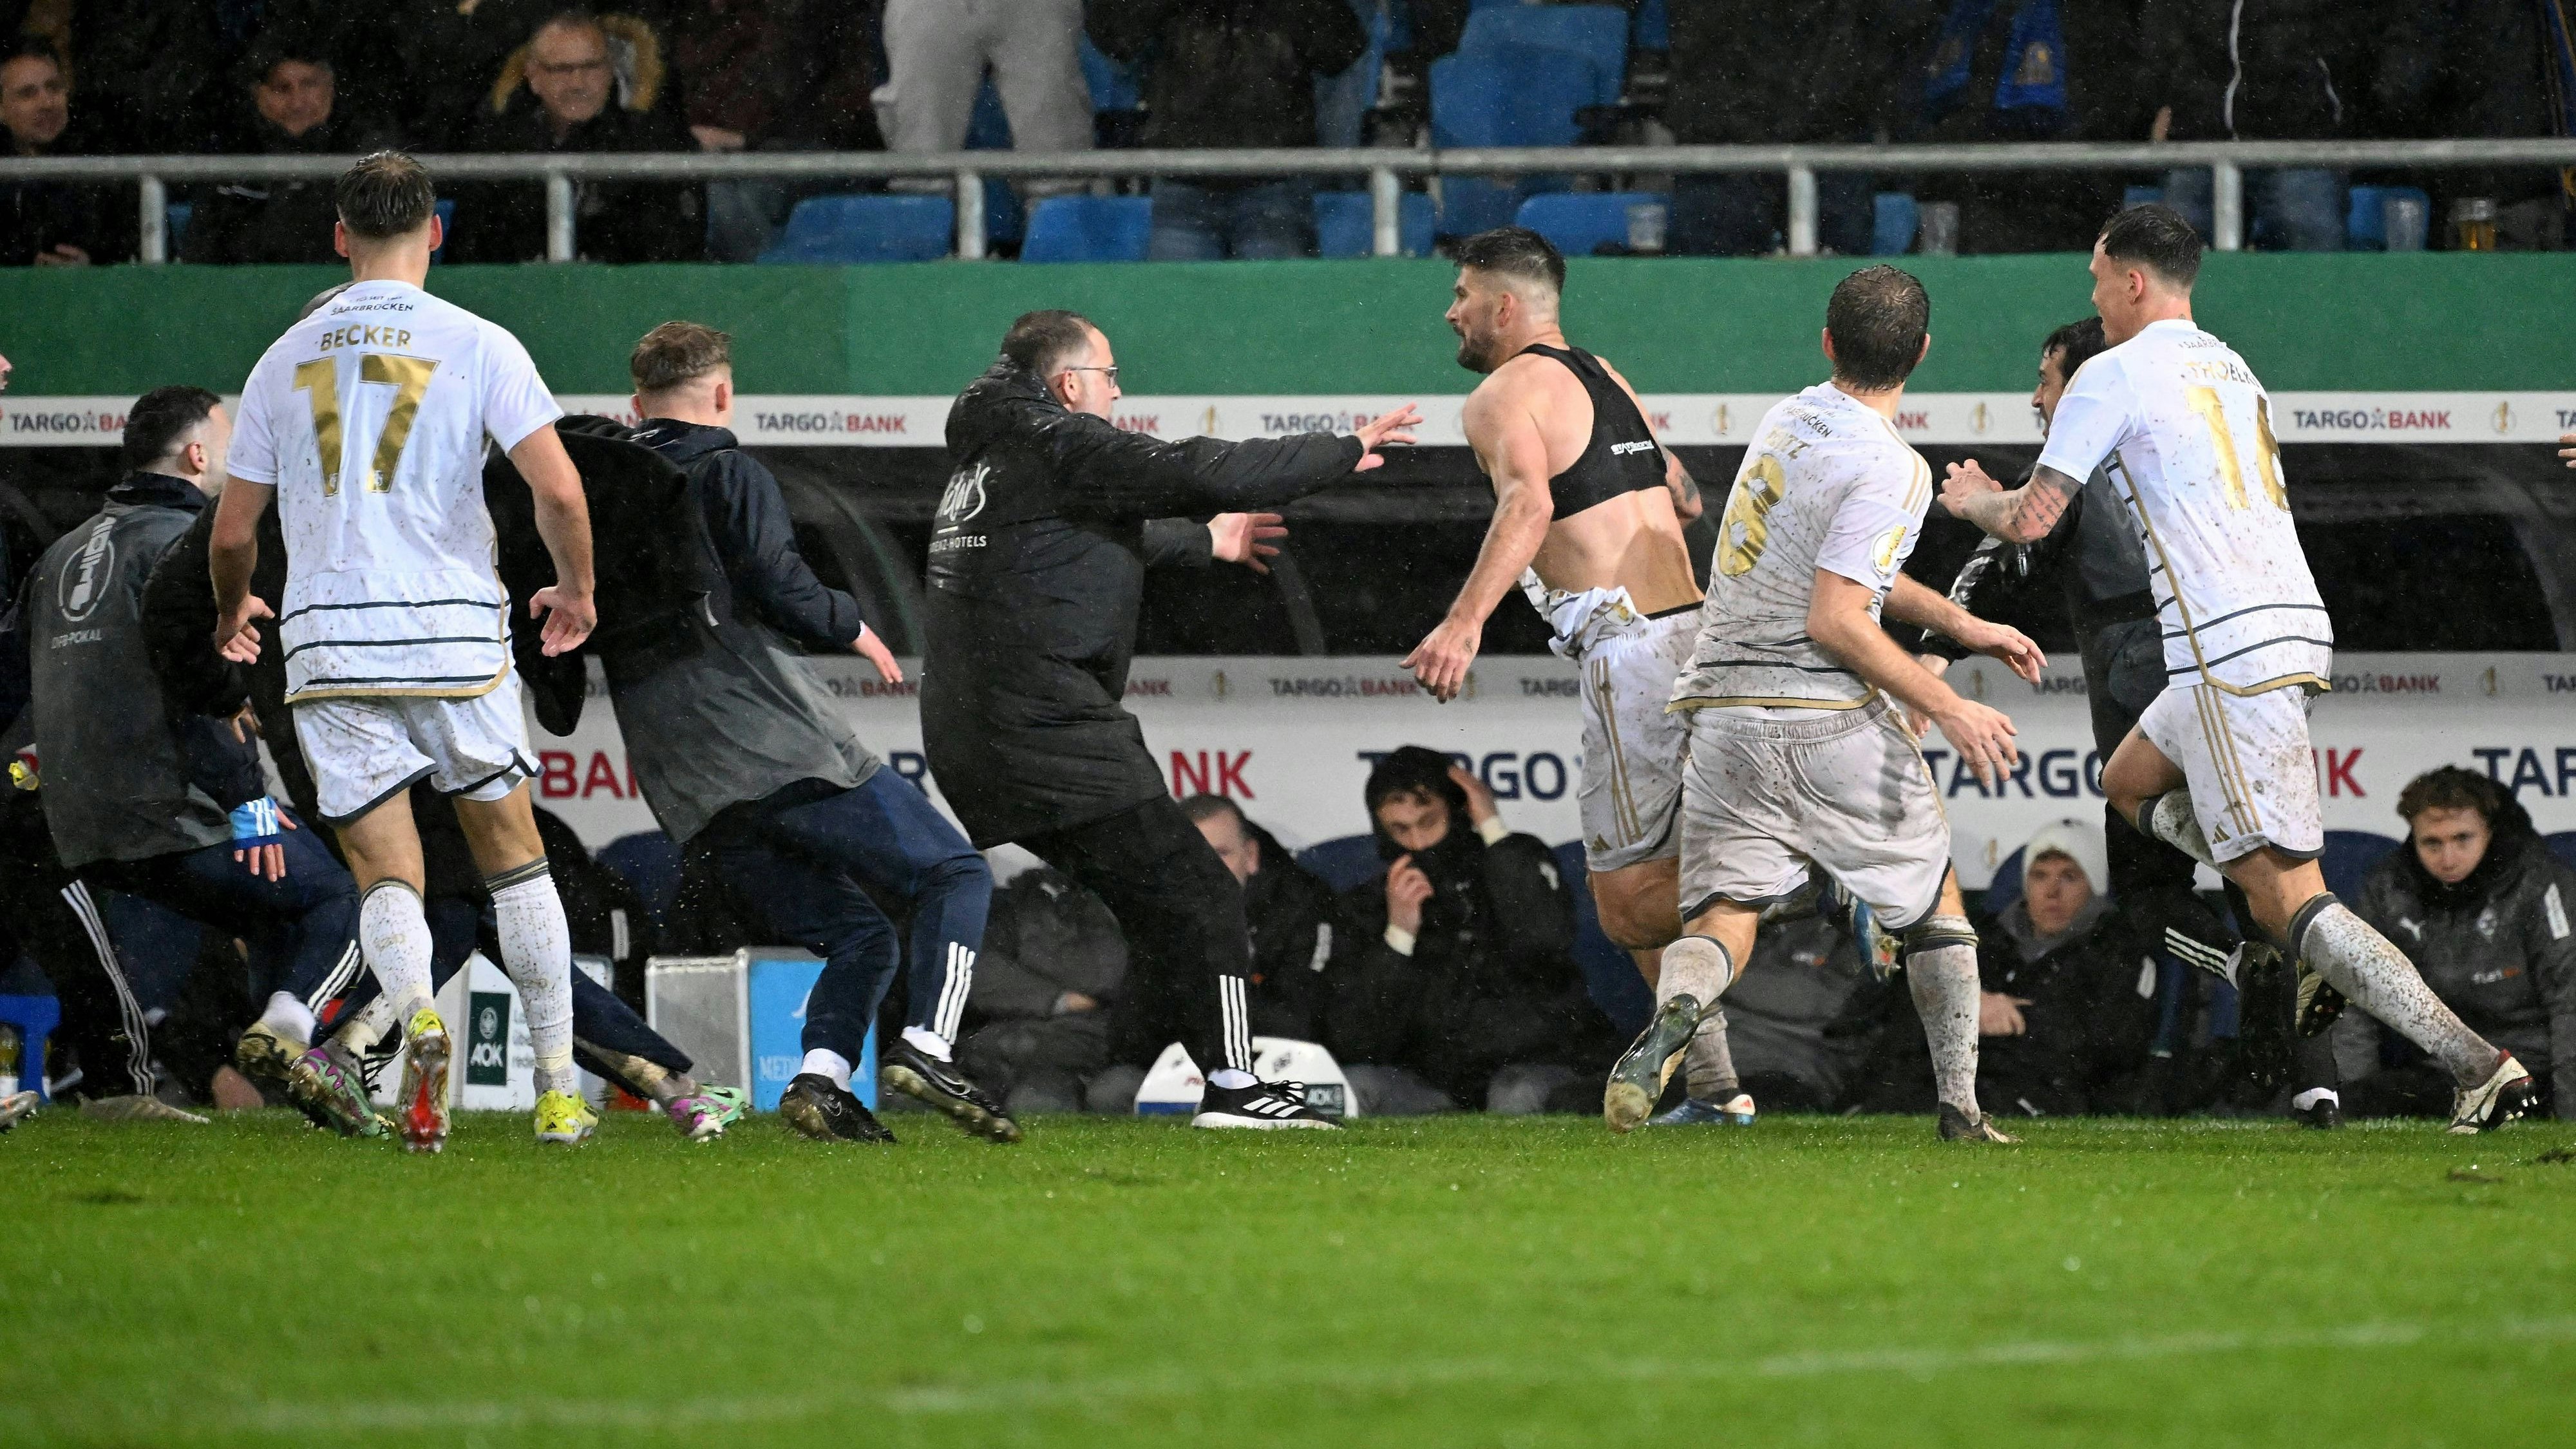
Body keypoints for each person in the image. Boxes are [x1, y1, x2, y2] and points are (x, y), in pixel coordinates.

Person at [1944, 203, 2537, 1132]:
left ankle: (2477, 1062)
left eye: (2098, 280)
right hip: (2259, 634)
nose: (2093, 299)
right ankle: (2295, 941)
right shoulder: (2232, 365)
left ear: (2133, 282)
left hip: (2228, 648)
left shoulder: (2110, 373)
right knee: (2127, 781)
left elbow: (2032, 519)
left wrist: (1979, 498)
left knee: (2288, 893)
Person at [140, 287, 744, 1144]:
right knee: (495, 887)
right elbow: (551, 503)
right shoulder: (439, 442)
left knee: (430, 897)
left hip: (326, 699)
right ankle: (570, 1076)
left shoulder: (275, 474)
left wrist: (225, 685)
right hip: (442, 669)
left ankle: (333, 1028)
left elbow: (182, 590)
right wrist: (563, 645)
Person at [923, 307, 1416, 1129]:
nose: (1118, 393)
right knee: (1203, 895)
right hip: (1049, 731)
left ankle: (923, 1045)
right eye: (1112, 376)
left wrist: (1203, 545)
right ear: (1068, 383)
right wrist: (1340, 449)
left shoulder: (996, 457)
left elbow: (1074, 542)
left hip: (980, 735)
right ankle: (1232, 1087)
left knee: (1163, 910)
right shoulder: (1063, 441)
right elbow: (1201, 469)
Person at [208, 151, 601, 1153]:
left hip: (331, 638)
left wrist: (232, 609)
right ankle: (559, 1091)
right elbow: (556, 491)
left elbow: (231, 534)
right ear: (435, 231)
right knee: (515, 862)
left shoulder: (280, 357)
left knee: (387, 870)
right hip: (452, 628)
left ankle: (417, 1010)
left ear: (340, 237)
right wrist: (576, 589)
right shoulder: (477, 342)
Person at [1618, 263, 2047, 1142]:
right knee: (1936, 913)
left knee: (1724, 916)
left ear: (1825, 341)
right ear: (1922, 354)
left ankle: (1680, 1008)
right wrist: (1950, 703)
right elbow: (1837, 615)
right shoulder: (1894, 466)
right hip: (1817, 711)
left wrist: (1963, 623)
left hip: (1724, 707)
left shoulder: (1788, 418)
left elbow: (1848, 574)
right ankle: (1962, 1108)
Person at [604, 320, 1017, 1146]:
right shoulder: (725, 468)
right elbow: (778, 581)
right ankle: (930, 1049)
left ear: (633, 403)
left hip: (681, 778)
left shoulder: (600, 487)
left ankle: (821, 1081)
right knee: (956, 874)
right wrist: (854, 627)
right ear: (721, 394)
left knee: (862, 936)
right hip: (771, 742)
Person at [1932, 315, 2338, 1126]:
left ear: (2082, 386)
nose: (2036, 397)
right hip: (2243, 668)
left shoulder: (2067, 480)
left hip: (2147, 684)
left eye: (2045, 380)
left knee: (2151, 894)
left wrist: (1937, 644)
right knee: (2264, 881)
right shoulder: (2190, 452)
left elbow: (2001, 562)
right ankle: (2318, 1088)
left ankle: (2235, 969)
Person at [1400, 225, 1752, 1122]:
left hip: (1631, 655)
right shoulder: (1605, 374)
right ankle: (1714, 1091)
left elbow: (1529, 501)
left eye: (1462, 295)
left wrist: (1464, 620)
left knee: (1630, 906)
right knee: (1660, 885)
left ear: (1504, 307)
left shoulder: (1497, 395)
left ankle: (1803, 877)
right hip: (1695, 633)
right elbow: (1679, 489)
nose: (1451, 312)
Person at [20, 386, 363, 1124]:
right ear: (199, 455)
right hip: (175, 813)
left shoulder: (60, 551)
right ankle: (287, 1037)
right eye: (229, 440)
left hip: (77, 826)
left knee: (276, 913)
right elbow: (197, 682)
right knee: (346, 896)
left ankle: (275, 1096)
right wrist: (250, 804)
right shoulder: (192, 544)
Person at [1325, 748, 1615, 1114]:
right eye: (1399, 829)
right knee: (1355, 1088)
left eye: (1429, 822)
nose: (1417, 842)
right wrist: (1398, 936)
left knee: (1514, 1092)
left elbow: (1545, 938)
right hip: (1435, 1088)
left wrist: (1490, 823)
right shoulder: (1372, 903)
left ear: (1459, 810)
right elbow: (1357, 1036)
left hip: (1536, 1067)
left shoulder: (1515, 861)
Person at [2338, 768, 2576, 1121]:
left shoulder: (2540, 882)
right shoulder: (2388, 889)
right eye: (2432, 843)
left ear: (2490, 833)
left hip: (2531, 1073)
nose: (2448, 858)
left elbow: (2569, 1001)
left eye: (2463, 839)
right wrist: (2352, 1094)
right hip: (2439, 1074)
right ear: (2413, 837)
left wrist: (2570, 1113)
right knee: (2348, 1102)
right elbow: (2355, 999)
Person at [1086, 0, 1368, 260]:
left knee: (1275, 308)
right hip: (1182, 182)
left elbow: (1343, 48)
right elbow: (1111, 36)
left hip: (1274, 183)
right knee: (1176, 309)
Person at [452, 11, 703, 264]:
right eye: (562, 70)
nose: (578, 83)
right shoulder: (497, 146)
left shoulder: (655, 142)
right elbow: (470, 253)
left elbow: (674, 256)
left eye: (591, 67)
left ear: (610, 71)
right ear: (534, 76)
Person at [185, 44, 397, 265]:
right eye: (282, 89)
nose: (297, 102)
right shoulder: (232, 154)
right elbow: (203, 253)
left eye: (309, 85)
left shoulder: (365, 151)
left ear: (330, 88)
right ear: (260, 95)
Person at [1181, 794, 1334, 1043]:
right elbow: (1131, 1037)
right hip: (1181, 1067)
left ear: (1250, 856)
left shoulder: (1301, 904)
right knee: (1121, 1081)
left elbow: (1301, 1022)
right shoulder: (1156, 910)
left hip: (1284, 1066)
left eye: (1221, 854)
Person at [0, 40, 134, 268]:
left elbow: (147, 258)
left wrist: (92, 270)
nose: (47, 103)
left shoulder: (108, 167)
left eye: (54, 87)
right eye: (28, 94)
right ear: (1, 109)